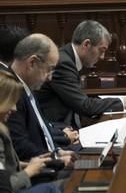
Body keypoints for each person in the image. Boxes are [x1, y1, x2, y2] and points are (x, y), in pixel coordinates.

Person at [0, 71, 61, 193]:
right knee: (52, 191)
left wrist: (30, 164)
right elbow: (4, 189)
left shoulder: (2, 128)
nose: (14, 108)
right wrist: (29, 171)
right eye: (10, 101)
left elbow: (4, 167)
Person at [6, 34, 77, 164]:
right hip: (39, 173)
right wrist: (54, 159)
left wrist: (57, 151)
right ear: (32, 63)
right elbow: (20, 146)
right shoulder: (11, 93)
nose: (50, 78)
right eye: (49, 70)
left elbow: (42, 131)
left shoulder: (28, 86)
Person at [36, 21, 124, 126]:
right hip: (55, 130)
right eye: (101, 50)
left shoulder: (69, 58)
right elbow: (84, 106)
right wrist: (123, 102)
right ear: (86, 44)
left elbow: (80, 98)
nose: (102, 57)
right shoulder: (63, 63)